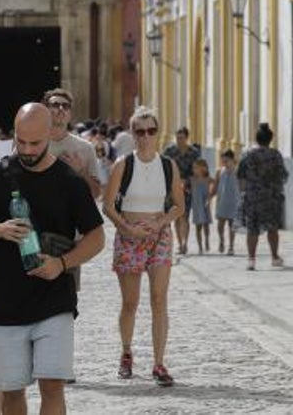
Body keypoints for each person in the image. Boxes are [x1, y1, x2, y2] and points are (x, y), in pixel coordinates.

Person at [0, 104, 105, 415]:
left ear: (50, 136)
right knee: (12, 392)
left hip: (55, 300)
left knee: (52, 385)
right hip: (6, 301)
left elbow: (97, 237)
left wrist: (62, 264)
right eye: (21, 141)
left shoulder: (69, 181)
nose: (27, 150)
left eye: (36, 143)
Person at [100, 106, 184, 387]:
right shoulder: (123, 164)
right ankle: (126, 352)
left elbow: (178, 206)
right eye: (140, 131)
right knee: (130, 302)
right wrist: (126, 228)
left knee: (159, 300)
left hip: (159, 236)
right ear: (132, 134)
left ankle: (159, 363)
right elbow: (108, 206)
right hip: (129, 236)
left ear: (157, 133)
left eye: (151, 130)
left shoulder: (168, 165)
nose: (146, 136)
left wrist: (160, 223)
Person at [237, 124, 287, 271]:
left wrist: (243, 192)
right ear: (270, 139)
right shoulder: (275, 155)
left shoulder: (248, 154)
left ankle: (251, 260)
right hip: (271, 196)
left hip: (252, 196)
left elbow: (240, 175)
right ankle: (274, 257)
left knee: (252, 229)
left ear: (256, 139)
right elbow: (283, 175)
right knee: (272, 228)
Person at [42, 89, 101, 199]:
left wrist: (80, 171)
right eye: (55, 105)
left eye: (66, 106)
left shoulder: (86, 147)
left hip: (74, 215)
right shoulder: (31, 145)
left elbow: (96, 193)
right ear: (45, 111)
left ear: (70, 114)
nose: (61, 109)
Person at [162, 127, 202, 255]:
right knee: (176, 217)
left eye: (182, 138)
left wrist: (188, 181)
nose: (179, 140)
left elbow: (199, 170)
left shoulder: (194, 152)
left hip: (188, 188)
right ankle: (179, 244)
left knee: (185, 216)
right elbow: (163, 168)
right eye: (178, 138)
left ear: (187, 138)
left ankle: (185, 243)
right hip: (172, 189)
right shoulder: (169, 151)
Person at [213, 150, 239, 255]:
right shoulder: (219, 171)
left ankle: (231, 246)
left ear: (232, 160)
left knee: (232, 225)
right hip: (222, 202)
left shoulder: (238, 172)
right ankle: (221, 240)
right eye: (223, 161)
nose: (224, 163)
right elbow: (215, 186)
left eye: (227, 161)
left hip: (234, 202)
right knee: (220, 225)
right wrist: (209, 197)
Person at [188, 159, 213, 255]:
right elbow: (187, 188)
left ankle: (206, 240)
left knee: (206, 225)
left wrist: (210, 195)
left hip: (205, 205)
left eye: (196, 167)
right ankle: (200, 247)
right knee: (198, 227)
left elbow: (215, 184)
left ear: (203, 168)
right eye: (193, 168)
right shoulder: (192, 179)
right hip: (197, 206)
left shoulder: (208, 179)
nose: (194, 170)